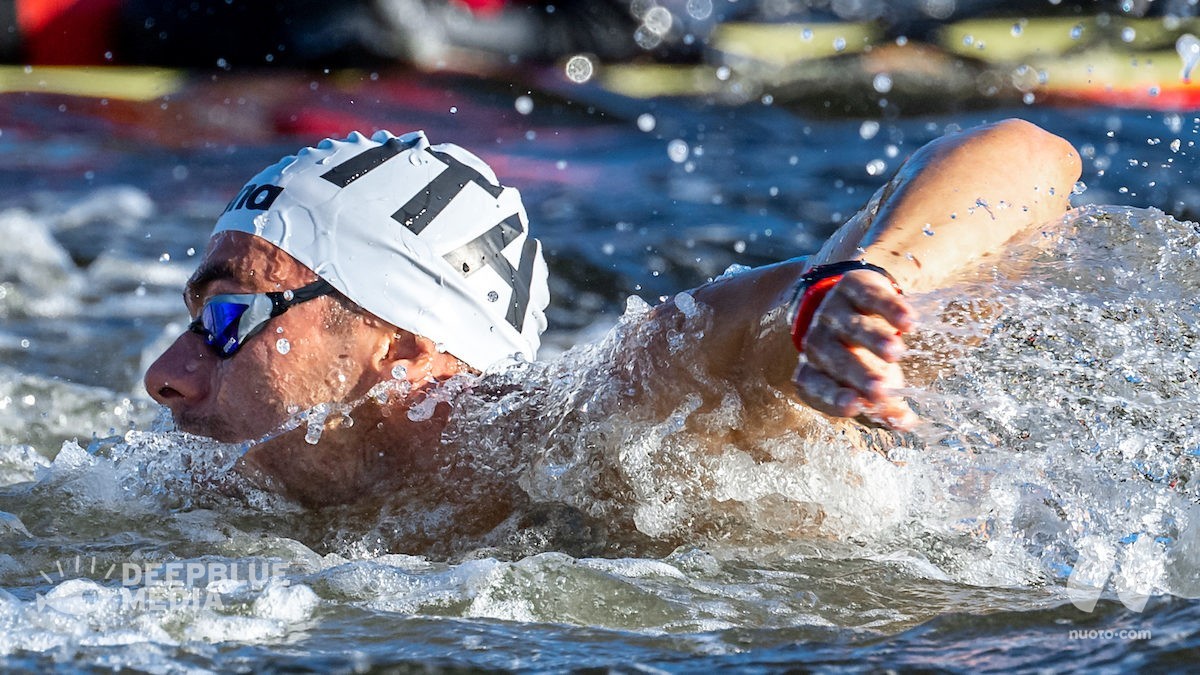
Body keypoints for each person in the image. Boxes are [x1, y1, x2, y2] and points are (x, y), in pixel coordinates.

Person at [143, 119, 1081, 507]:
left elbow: (1030, 155)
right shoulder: (255, 502)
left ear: (400, 347)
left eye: (229, 320)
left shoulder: (601, 424)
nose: (166, 372)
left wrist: (851, 284)